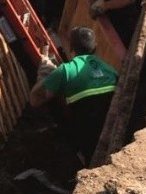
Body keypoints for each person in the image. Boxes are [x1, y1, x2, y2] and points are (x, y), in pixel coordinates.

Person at [30, 26, 117, 164]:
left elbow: (35, 100)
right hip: (115, 139)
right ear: (96, 47)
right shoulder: (111, 71)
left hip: (90, 145)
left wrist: (44, 74)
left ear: (71, 48)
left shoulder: (65, 71)